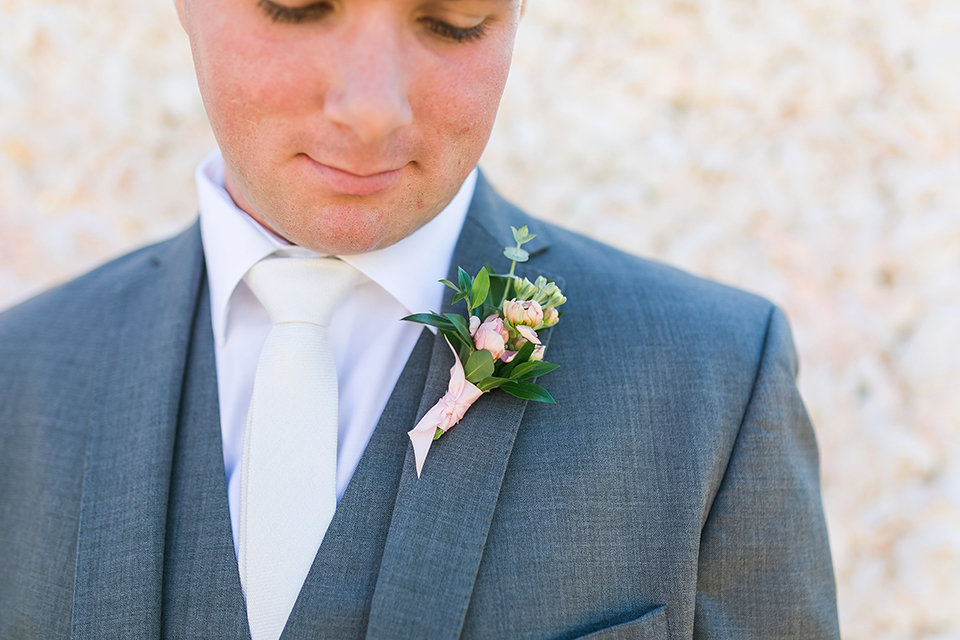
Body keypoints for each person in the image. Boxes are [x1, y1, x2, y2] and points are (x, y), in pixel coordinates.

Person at [0, 0, 841, 638]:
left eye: (451, 20)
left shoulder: (715, 379)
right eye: (300, 5)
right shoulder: (18, 374)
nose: (372, 109)